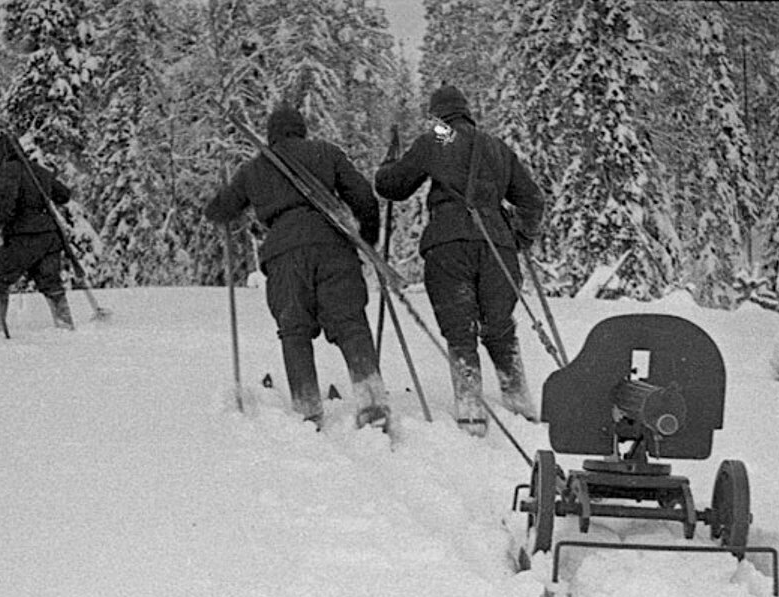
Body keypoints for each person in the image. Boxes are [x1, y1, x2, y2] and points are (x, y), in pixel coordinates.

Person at [205, 105, 389, 431]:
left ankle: (308, 409)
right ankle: (372, 403)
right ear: (302, 129)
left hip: (283, 254)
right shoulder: (327, 153)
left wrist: (220, 198)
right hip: (333, 247)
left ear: (271, 134)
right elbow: (363, 195)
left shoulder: (255, 168)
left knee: (294, 331)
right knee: (351, 325)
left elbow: (221, 210)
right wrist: (367, 239)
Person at [374, 85, 544, 437]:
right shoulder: (497, 146)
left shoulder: (440, 135)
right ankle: (519, 404)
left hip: (449, 244)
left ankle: (471, 412)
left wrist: (388, 165)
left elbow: (393, 186)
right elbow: (532, 201)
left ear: (439, 115)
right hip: (498, 248)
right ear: (466, 111)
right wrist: (519, 237)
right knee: (500, 326)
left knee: (460, 329)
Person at [0, 133, 74, 331]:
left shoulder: (9, 171)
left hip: (23, 238)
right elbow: (64, 195)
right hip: (50, 238)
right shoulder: (39, 171)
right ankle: (65, 325)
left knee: (0, 280)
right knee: (52, 285)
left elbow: (5, 206)